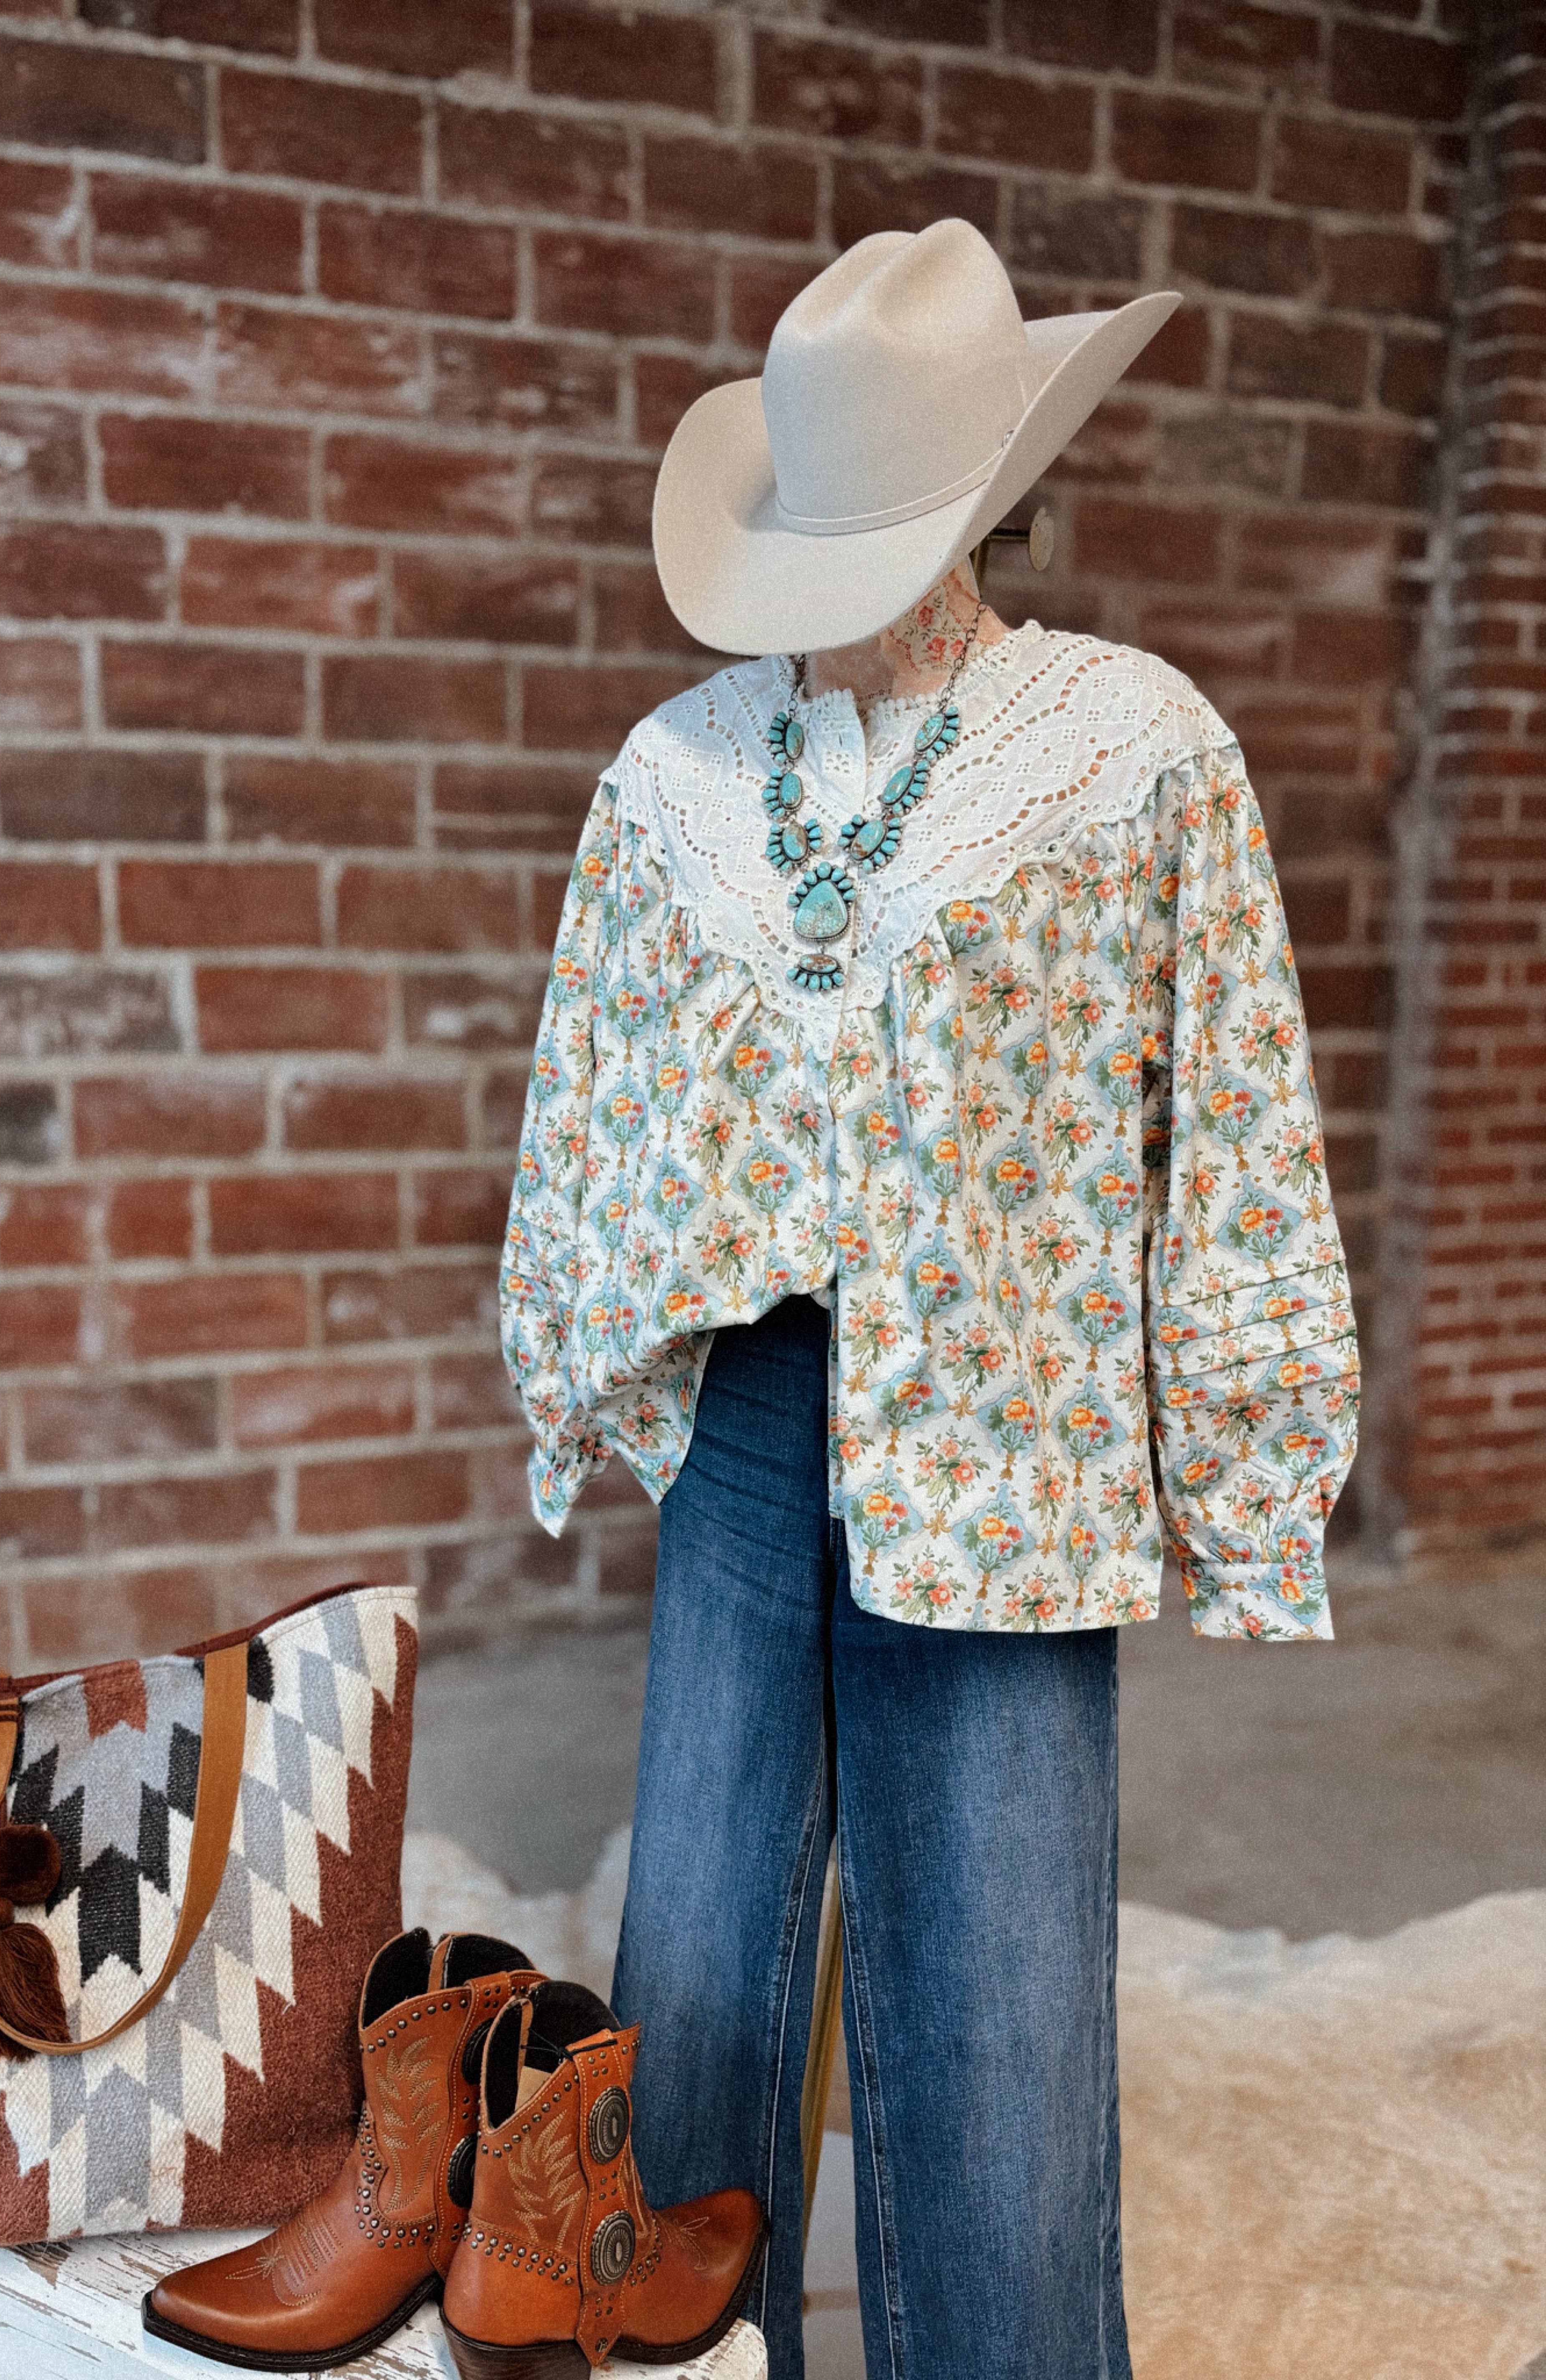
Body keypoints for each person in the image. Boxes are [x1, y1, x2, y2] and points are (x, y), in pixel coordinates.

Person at [499, 220, 1358, 2380]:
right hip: (753, 1424)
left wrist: (1249, 1480)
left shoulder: (1132, 756)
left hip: (1015, 1450)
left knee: (998, 2027)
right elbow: (584, 1109)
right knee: (691, 1987)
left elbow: (1237, 1138)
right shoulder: (673, 779)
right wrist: (583, 1362)